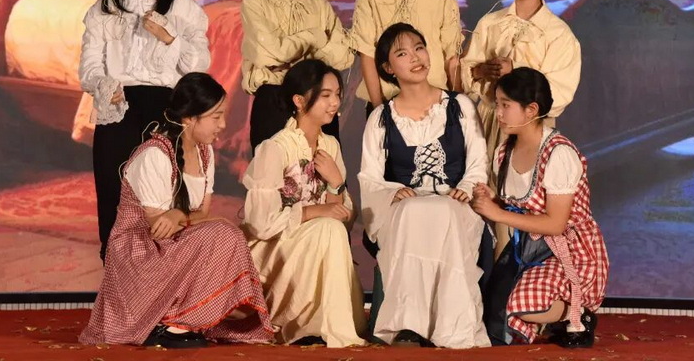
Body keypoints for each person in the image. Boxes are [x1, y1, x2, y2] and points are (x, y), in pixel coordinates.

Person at [79, 73, 274, 349]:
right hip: (142, 254)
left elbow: (201, 213)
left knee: (224, 233)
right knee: (222, 233)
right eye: (216, 117)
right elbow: (159, 228)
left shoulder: (205, 153)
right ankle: (170, 322)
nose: (222, 124)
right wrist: (178, 218)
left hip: (175, 243)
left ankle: (182, 320)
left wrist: (179, 215)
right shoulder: (155, 154)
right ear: (190, 118)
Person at [79, 0, 211, 261]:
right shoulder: (103, 8)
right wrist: (104, 86)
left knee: (163, 196)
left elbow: (199, 65)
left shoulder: (182, 5)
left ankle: (166, 279)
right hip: (118, 107)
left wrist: (168, 38)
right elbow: (89, 66)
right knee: (114, 193)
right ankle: (118, 275)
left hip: (166, 108)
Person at [358, 23, 490, 348]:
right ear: (388, 68)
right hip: (403, 210)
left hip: (456, 205)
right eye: (403, 54)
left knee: (443, 211)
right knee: (414, 211)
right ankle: (408, 325)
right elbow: (370, 179)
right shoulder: (381, 118)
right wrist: (392, 192)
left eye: (419, 48)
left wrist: (466, 188)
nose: (416, 57)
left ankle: (451, 326)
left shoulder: (460, 107)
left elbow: (478, 163)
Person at [471, 67, 608, 348]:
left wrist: (498, 213)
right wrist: (493, 200)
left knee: (519, 306)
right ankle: (559, 314)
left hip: (566, 249)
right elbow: (520, 206)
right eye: (497, 104)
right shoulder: (504, 152)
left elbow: (556, 224)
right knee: (493, 315)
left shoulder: (559, 153)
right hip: (528, 246)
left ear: (531, 110)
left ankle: (577, 312)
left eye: (506, 105)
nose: (498, 113)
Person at [241, 59, 366, 347]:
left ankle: (321, 323)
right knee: (327, 228)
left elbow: (343, 216)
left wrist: (335, 183)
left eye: (337, 94)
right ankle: (306, 323)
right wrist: (314, 211)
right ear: (299, 100)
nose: (335, 103)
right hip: (274, 247)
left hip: (319, 241)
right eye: (326, 95)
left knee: (330, 229)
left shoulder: (331, 146)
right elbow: (261, 224)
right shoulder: (275, 148)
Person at [241, 0, 353, 151]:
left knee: (326, 169)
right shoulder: (255, 2)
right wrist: (314, 37)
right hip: (274, 100)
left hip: (318, 100)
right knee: (272, 171)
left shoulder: (320, 6)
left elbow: (342, 58)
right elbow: (269, 55)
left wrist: (288, 51)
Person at [460, 0, 581, 156]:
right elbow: (465, 71)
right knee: (484, 174)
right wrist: (480, 71)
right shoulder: (489, 23)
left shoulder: (558, 35)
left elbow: (559, 93)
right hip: (487, 123)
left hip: (531, 129)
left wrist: (515, 71)